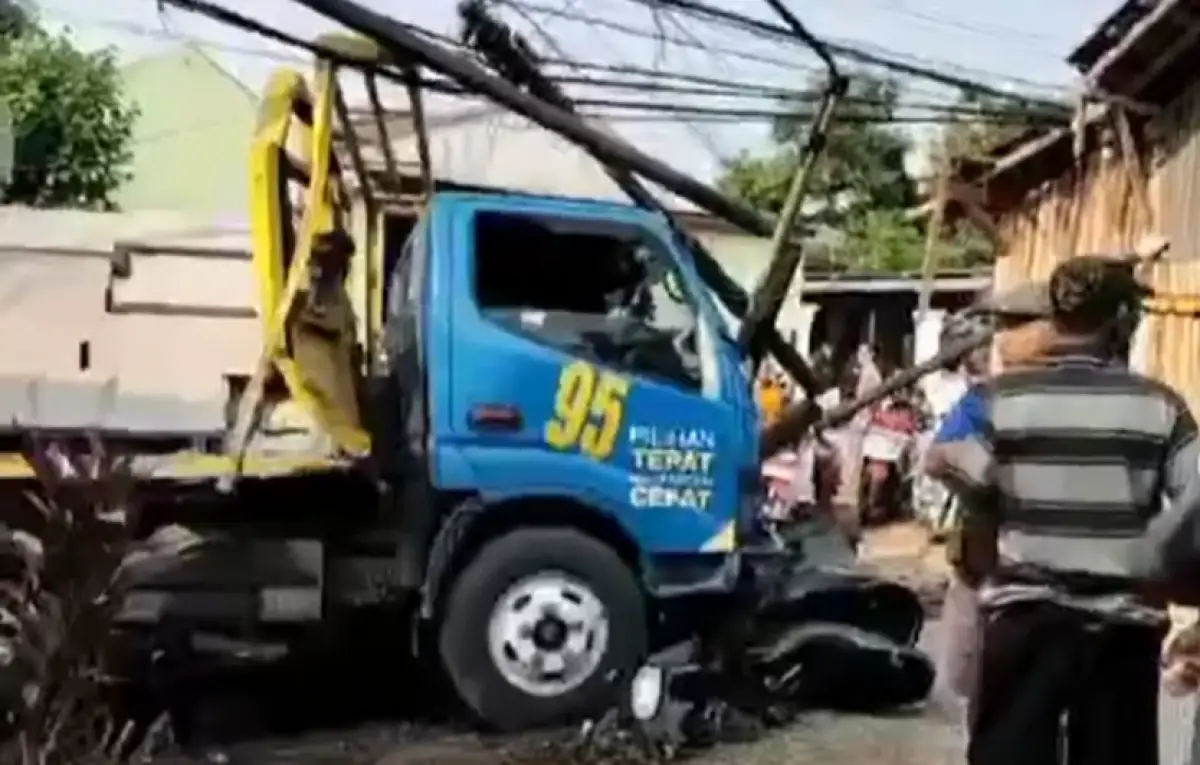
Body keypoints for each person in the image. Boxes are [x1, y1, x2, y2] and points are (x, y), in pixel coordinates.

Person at [930, 250, 1199, 765]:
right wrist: (1159, 558)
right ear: (1120, 320)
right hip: (1121, 628)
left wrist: (988, 511)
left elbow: (945, 464)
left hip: (1025, 617)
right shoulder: (1161, 406)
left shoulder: (1001, 398)